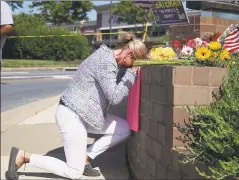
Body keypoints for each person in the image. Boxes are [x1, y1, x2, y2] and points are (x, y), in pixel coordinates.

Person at [6, 32, 147, 180]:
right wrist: (131, 74)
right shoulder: (106, 62)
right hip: (72, 116)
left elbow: (112, 85)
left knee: (123, 129)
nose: (131, 67)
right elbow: (115, 96)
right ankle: (24, 157)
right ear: (128, 54)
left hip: (87, 116)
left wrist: (128, 73)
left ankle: (85, 157)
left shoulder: (109, 59)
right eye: (134, 63)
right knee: (74, 172)